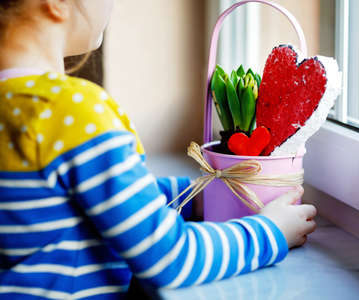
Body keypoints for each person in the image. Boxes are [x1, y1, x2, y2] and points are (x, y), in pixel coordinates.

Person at [0, 0, 317, 299]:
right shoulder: (72, 113)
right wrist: (270, 233)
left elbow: (85, 199)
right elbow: (169, 258)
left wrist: (198, 196)